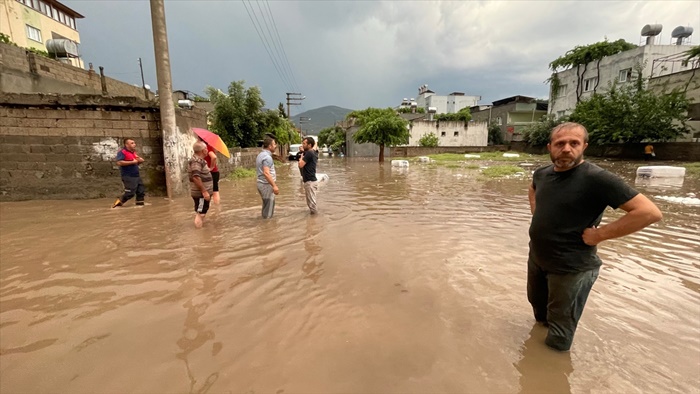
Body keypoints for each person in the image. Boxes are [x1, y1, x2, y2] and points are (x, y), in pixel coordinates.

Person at [527, 122, 662, 351]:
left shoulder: (597, 178)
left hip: (572, 268)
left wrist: (600, 235)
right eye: (560, 143)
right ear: (550, 147)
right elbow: (533, 189)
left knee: (559, 335)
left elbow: (649, 213)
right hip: (538, 260)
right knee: (539, 313)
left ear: (584, 146)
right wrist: (537, 215)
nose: (567, 149)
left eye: (574, 143)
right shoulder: (542, 173)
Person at [112, 138, 145, 208]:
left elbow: (136, 161)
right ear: (126, 144)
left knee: (141, 192)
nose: (134, 144)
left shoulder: (133, 152)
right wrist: (132, 162)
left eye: (134, 143)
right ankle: (116, 205)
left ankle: (140, 207)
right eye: (132, 143)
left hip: (136, 175)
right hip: (128, 176)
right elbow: (119, 162)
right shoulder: (122, 152)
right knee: (130, 193)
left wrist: (140, 160)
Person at [188, 141, 213, 228]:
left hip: (202, 193)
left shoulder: (200, 161)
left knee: (202, 212)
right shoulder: (196, 161)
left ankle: (201, 231)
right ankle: (199, 235)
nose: (207, 150)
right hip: (200, 194)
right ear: (203, 150)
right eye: (206, 148)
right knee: (200, 214)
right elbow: (196, 177)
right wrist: (204, 191)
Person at [256, 137, 279, 219]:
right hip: (266, 185)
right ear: (270, 146)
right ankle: (267, 229)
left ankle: (265, 225)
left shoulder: (260, 155)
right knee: (269, 210)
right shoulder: (267, 157)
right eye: (274, 144)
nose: (275, 146)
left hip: (261, 184)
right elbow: (266, 173)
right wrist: (274, 186)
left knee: (266, 206)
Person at [298, 136, 319, 214]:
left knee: (312, 205)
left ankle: (314, 222)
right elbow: (315, 146)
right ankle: (313, 220)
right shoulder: (314, 152)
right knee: (311, 203)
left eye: (304, 143)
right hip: (311, 180)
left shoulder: (309, 153)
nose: (302, 145)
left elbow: (300, 165)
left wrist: (301, 158)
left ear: (309, 145)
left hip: (309, 181)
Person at [201, 139, 221, 204]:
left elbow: (214, 157)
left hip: (211, 172)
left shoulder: (207, 147)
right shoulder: (209, 147)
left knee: (206, 191)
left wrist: (211, 167)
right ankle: (216, 208)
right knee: (215, 190)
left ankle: (205, 208)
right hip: (214, 172)